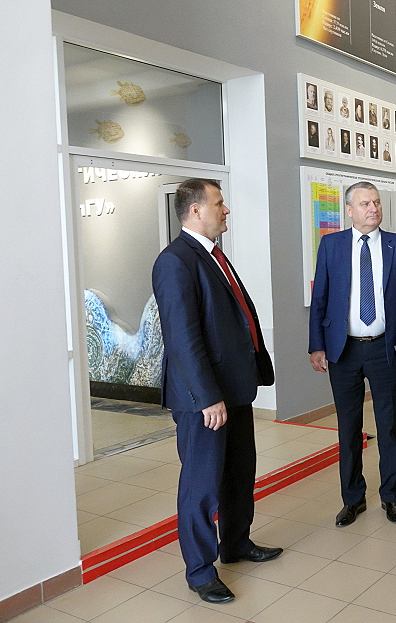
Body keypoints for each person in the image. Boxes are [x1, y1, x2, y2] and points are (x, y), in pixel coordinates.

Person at [152, 179, 282, 605]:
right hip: (203, 398)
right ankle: (200, 571)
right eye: (219, 203)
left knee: (240, 473)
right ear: (195, 211)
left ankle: (236, 543)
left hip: (234, 389)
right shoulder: (175, 261)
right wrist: (208, 397)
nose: (226, 210)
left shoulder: (214, 255)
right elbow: (182, 338)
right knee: (202, 484)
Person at [309, 181, 396, 526]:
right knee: (348, 427)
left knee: (388, 425)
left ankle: (390, 497)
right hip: (343, 350)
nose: (373, 208)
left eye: (376, 202)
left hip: (385, 348)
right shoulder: (331, 246)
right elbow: (320, 298)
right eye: (364, 204)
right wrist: (316, 344)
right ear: (349, 210)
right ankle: (353, 498)